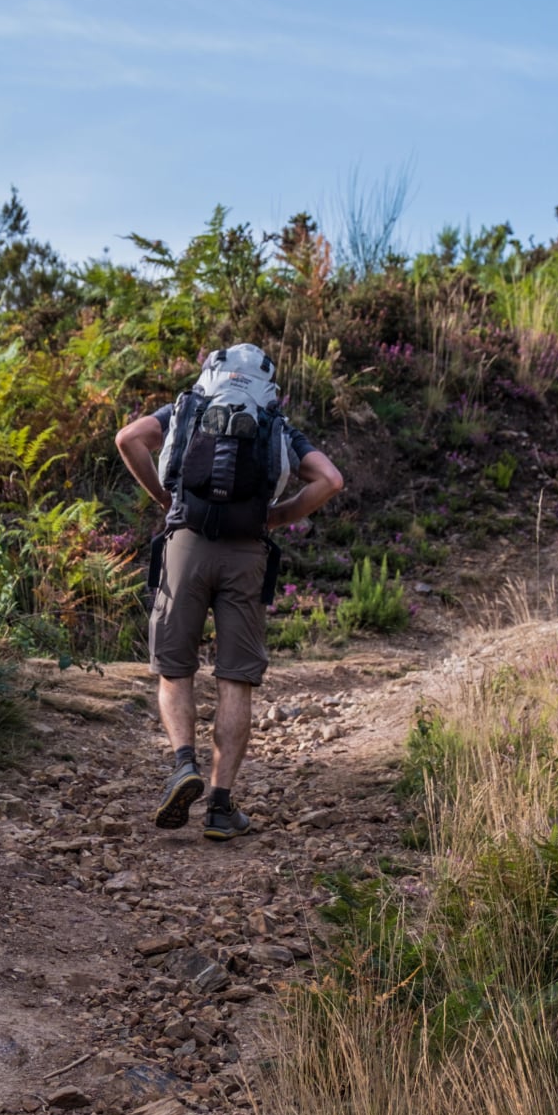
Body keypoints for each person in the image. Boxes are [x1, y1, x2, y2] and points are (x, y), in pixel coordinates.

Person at [113, 343, 345, 840]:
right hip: (247, 554)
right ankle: (220, 806)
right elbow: (330, 479)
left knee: (175, 670)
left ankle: (182, 765)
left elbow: (128, 438)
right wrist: (278, 516)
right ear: (268, 384)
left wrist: (166, 497)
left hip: (185, 545)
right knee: (235, 678)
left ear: (211, 374)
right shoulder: (275, 424)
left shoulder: (187, 408)